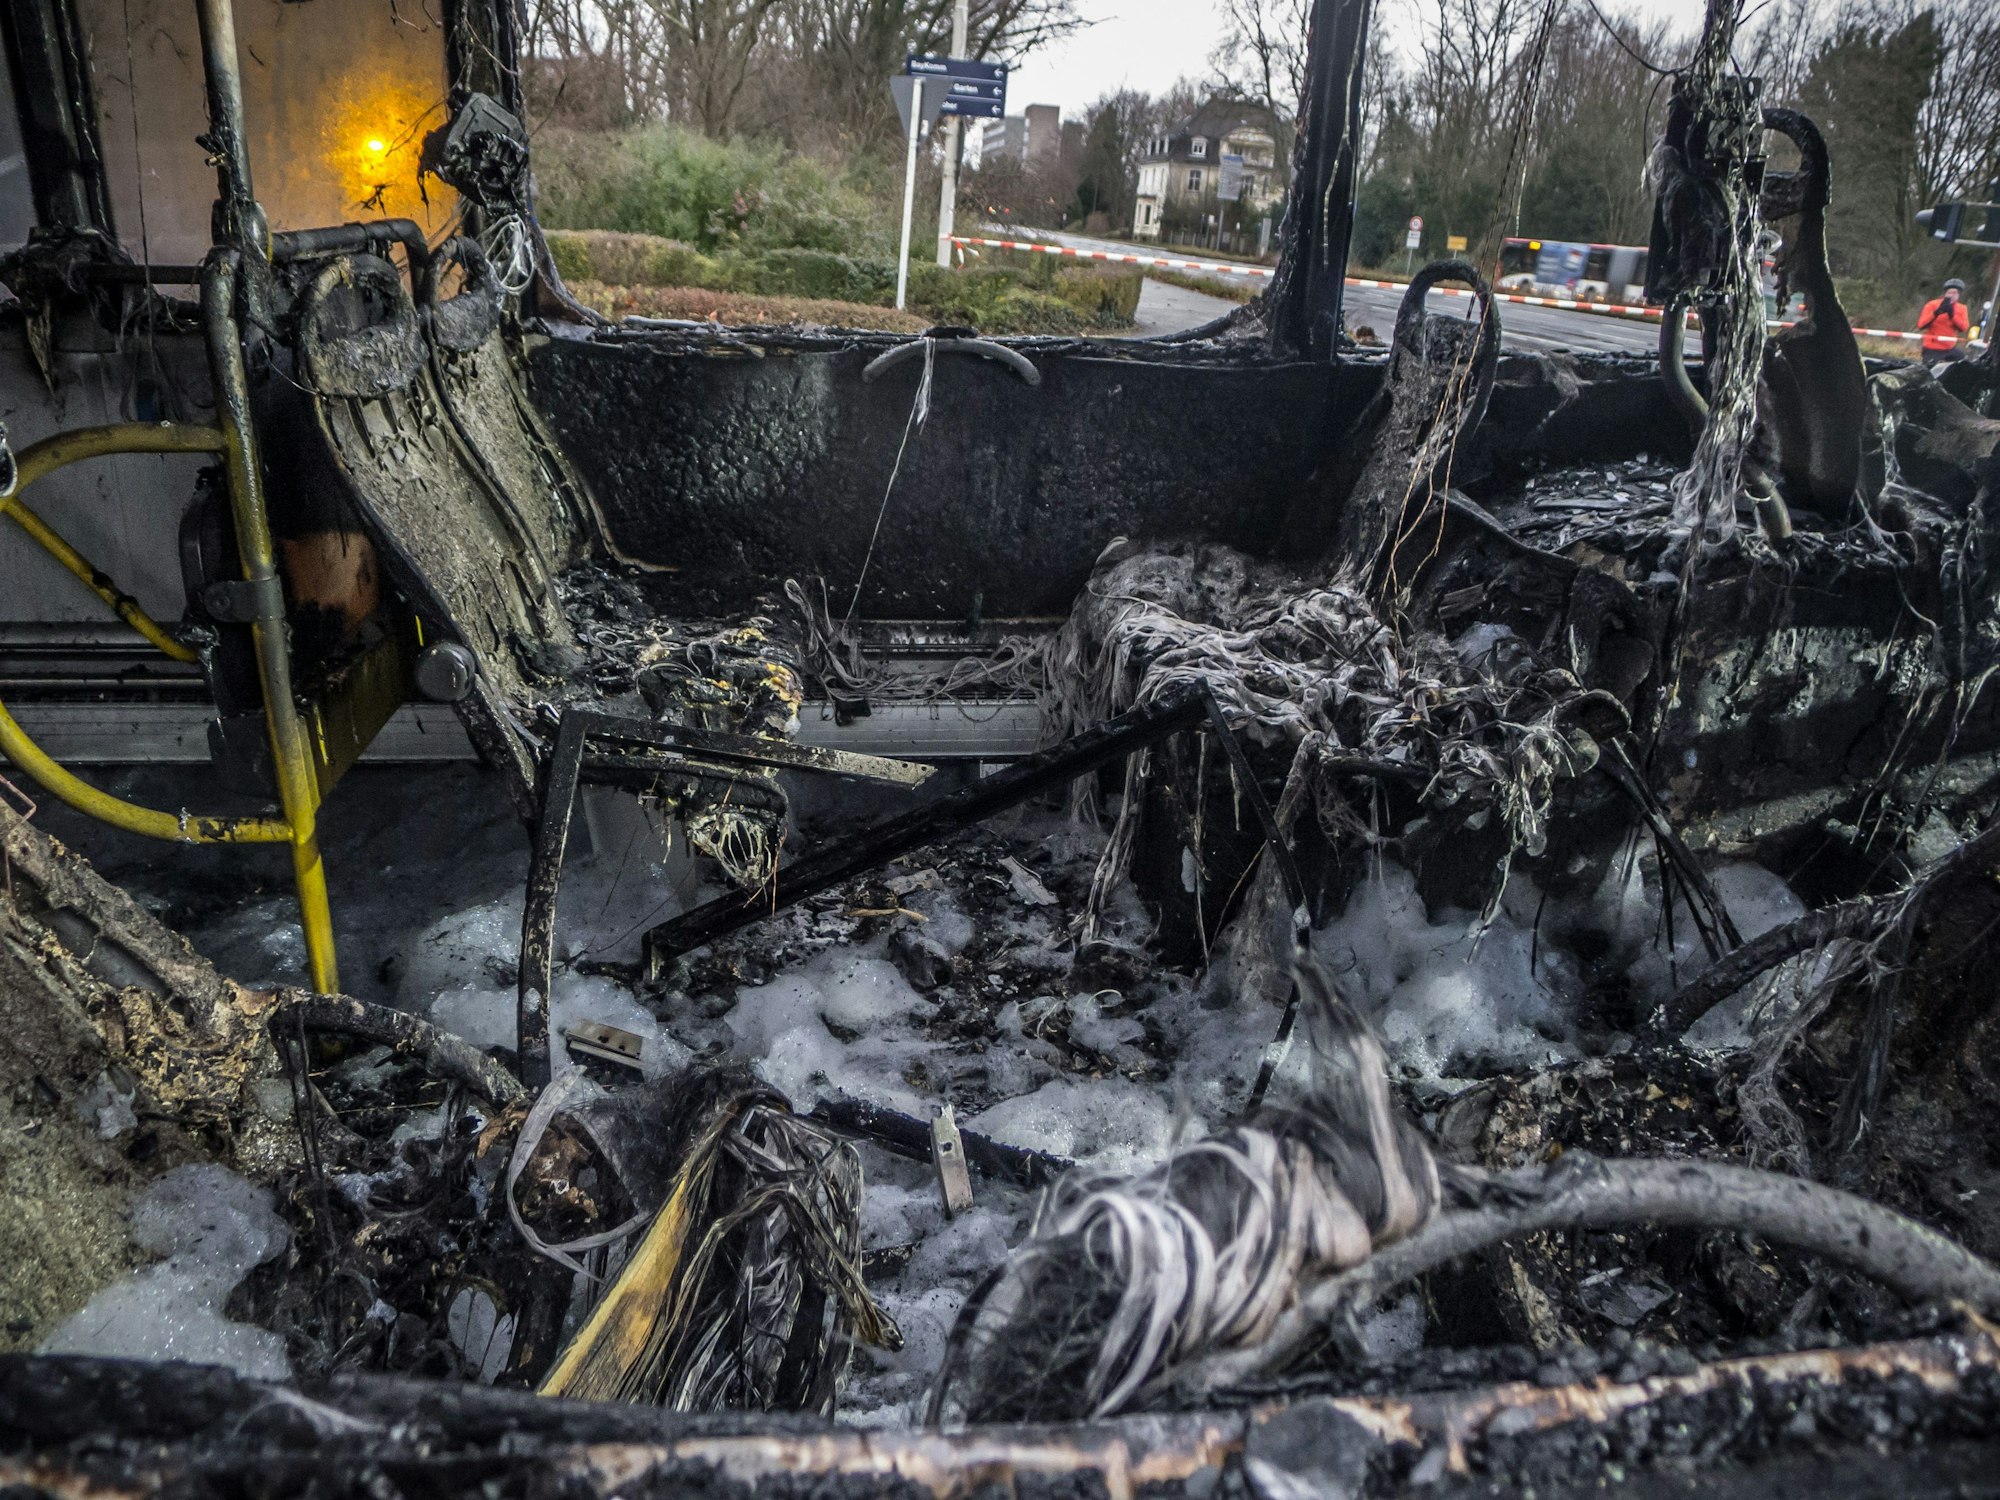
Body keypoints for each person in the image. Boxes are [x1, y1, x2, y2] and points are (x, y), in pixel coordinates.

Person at [1918, 278, 1970, 367]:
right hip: (1932, 347)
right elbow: (1921, 325)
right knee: (1928, 371)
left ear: (1959, 295)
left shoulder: (1962, 308)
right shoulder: (1932, 305)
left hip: (1949, 348)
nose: (1951, 295)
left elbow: (1964, 327)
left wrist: (1952, 316)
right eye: (1949, 293)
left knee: (1964, 363)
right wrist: (1936, 313)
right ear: (1945, 294)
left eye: (1954, 293)